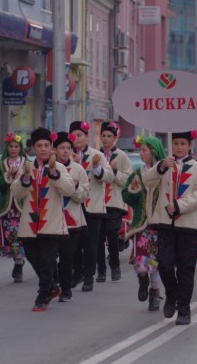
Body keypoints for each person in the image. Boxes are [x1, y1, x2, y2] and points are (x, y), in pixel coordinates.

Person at [142, 130, 197, 325]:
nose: (179, 147)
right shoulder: (163, 165)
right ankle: (171, 295)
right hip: (165, 224)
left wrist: (180, 205)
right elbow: (147, 181)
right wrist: (161, 167)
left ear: (189, 145)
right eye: (175, 143)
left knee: (186, 269)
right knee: (165, 265)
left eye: (182, 143)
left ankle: (184, 309)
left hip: (189, 225)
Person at [10, 127, 75, 311]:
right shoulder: (27, 167)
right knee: (33, 257)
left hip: (51, 223)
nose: (43, 149)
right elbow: (16, 193)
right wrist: (24, 179)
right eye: (39, 145)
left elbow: (69, 189)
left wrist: (55, 175)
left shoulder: (59, 167)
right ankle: (53, 286)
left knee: (47, 260)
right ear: (33, 148)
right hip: (30, 223)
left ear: (52, 147)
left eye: (47, 145)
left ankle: (43, 293)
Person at [122, 135, 170, 310]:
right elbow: (126, 197)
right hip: (142, 224)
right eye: (140, 150)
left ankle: (155, 293)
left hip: (159, 223)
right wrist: (133, 190)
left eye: (143, 150)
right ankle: (143, 279)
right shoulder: (137, 174)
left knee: (155, 262)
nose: (141, 153)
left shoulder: (167, 173)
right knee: (142, 261)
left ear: (154, 151)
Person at [69, 120, 113, 292]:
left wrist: (97, 169)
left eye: (80, 135)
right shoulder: (66, 154)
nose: (76, 139)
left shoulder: (97, 155)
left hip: (92, 207)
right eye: (74, 135)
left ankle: (89, 277)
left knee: (90, 244)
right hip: (73, 206)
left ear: (87, 137)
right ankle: (77, 272)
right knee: (73, 244)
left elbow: (109, 176)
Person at [53, 131, 89, 302]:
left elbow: (84, 196)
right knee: (50, 257)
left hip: (73, 220)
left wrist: (74, 188)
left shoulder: (78, 169)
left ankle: (66, 290)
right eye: (61, 148)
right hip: (52, 219)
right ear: (55, 150)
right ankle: (51, 285)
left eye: (68, 148)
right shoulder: (48, 168)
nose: (65, 151)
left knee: (67, 257)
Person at [98, 121, 133, 282]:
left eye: (109, 136)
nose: (106, 139)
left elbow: (128, 180)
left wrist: (114, 172)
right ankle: (101, 270)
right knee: (98, 236)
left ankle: (115, 264)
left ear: (115, 138)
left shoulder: (122, 156)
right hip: (97, 202)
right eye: (103, 136)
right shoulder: (95, 155)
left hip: (115, 202)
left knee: (112, 233)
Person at [0, 133, 28, 283]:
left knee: (20, 236)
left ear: (20, 148)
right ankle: (17, 261)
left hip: (22, 205)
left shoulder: (27, 164)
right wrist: (6, 177)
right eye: (11, 146)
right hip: (7, 205)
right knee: (10, 236)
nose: (13, 149)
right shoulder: (1, 165)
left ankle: (19, 264)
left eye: (16, 146)